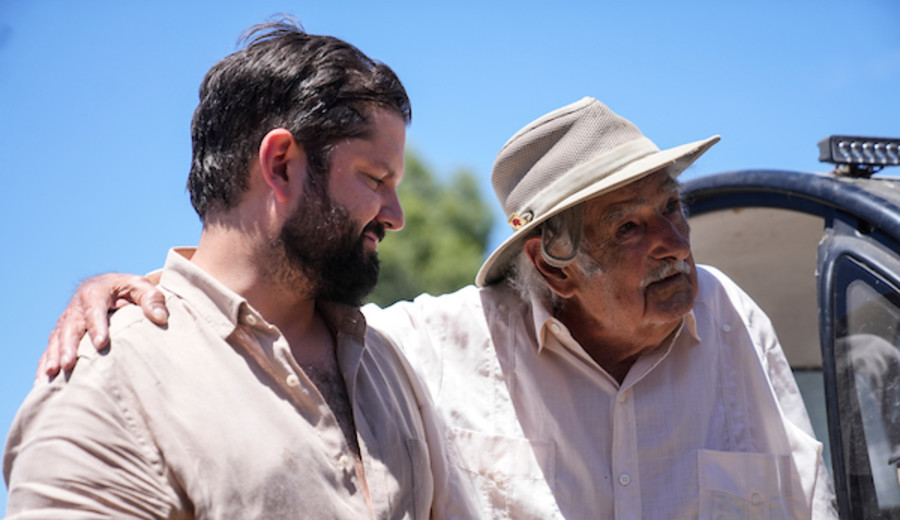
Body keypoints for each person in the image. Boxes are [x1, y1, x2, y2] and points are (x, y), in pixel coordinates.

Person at [33, 97, 838, 518]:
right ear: (549, 259)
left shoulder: (733, 321)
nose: (673, 241)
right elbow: (259, 321)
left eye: (672, 209)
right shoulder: (420, 349)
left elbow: (812, 502)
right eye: (629, 225)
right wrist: (144, 290)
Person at [3, 19, 478, 519]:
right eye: (375, 178)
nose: (395, 217)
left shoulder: (390, 369)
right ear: (281, 165)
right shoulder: (109, 387)